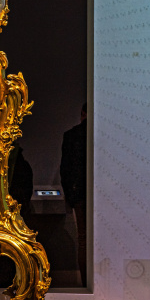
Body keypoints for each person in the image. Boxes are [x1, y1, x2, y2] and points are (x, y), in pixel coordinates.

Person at [59, 102, 88, 286]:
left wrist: (71, 196)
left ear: (82, 113)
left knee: (83, 239)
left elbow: (66, 170)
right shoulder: (101, 135)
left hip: (80, 195)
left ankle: (86, 281)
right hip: (101, 195)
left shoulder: (71, 136)